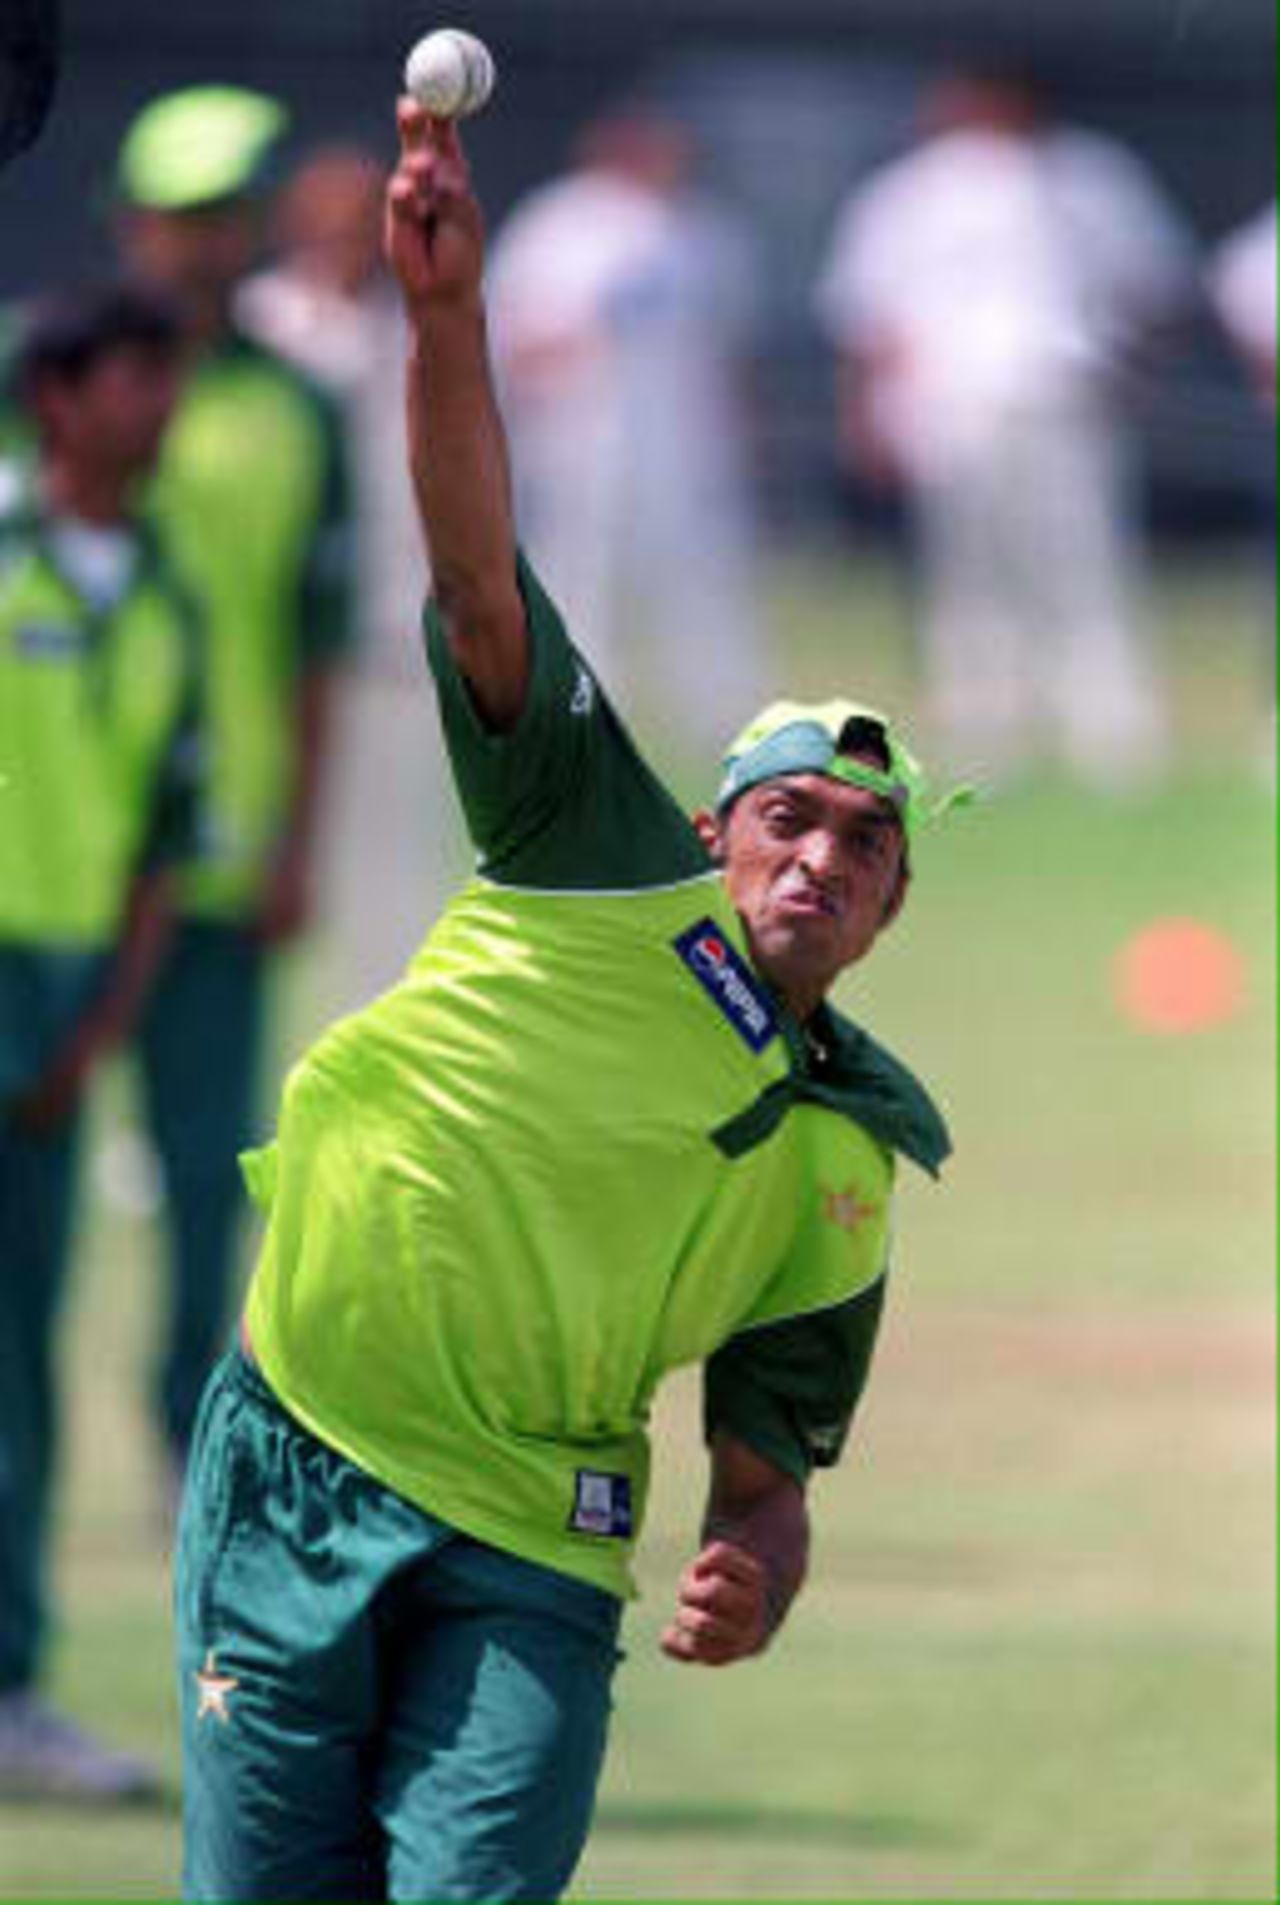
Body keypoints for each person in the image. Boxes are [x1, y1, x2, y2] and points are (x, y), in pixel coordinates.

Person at [175, 102, 956, 1903]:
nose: (822, 861)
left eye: (867, 848)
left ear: (894, 907)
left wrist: (758, 1567)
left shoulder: (844, 1165)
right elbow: (471, 578)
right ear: (714, 833)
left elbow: (768, 1473)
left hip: (540, 1536)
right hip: (305, 1444)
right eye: (791, 820)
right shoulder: (594, 850)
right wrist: (444, 323)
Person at [110, 87, 354, 1489]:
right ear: (134, 220)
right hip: (52, 858)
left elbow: (315, 648)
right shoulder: (50, 377)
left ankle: (178, 1439)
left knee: (209, 1173)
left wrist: (299, 839)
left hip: (217, 850)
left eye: (228, 215)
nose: (209, 242)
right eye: (187, 214)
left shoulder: (295, 409)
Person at [0, 283, 202, 1799]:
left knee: (18, 1356)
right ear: (56, 395)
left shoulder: (167, 599)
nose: (162, 403)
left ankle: (9, 1688)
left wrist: (100, 1033)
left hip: (59, 1006)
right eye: (135, 375)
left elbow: (159, 849)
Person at [815, 66, 1196, 787]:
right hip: (971, 400)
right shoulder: (920, 187)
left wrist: (1132, 374)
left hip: (1042, 392)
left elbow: (1155, 288)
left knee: (1065, 567)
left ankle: (1094, 739)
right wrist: (869, 410)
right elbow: (872, 317)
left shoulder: (1083, 175)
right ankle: (1005, 737)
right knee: (985, 574)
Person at [237, 142, 451, 1005]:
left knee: (391, 896)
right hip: (262, 654)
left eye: (361, 221)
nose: (342, 239)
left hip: (388, 643)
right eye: (323, 220)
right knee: (232, 884)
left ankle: (380, 1104)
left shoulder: (424, 333)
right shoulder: (259, 324)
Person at [486, 102, 770, 749]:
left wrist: (739, 430)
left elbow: (730, 352)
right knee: (579, 577)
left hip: (686, 441)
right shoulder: (559, 223)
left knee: (703, 583)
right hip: (583, 436)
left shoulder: (703, 232)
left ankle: (727, 721)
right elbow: (514, 340)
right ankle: (571, 719)